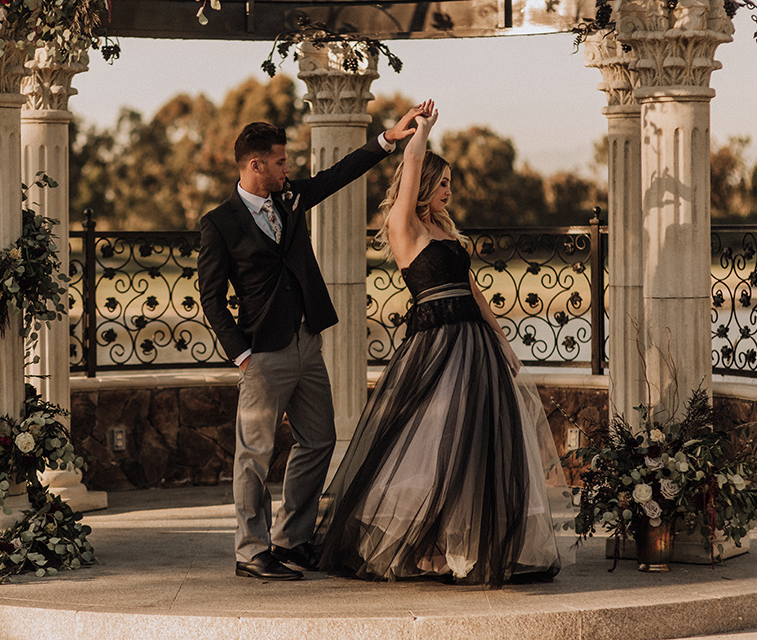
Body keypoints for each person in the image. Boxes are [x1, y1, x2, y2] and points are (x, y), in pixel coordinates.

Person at [314, 100, 571, 587]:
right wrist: (422, 133)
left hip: (474, 345)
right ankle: (424, 548)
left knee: (475, 448)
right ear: (425, 184)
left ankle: (462, 549)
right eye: (443, 182)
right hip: (433, 349)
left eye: (451, 183)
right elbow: (410, 163)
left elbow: (474, 293)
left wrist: (504, 343)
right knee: (432, 448)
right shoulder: (403, 227)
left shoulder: (446, 233)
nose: (449, 191)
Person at [198, 108, 425, 581]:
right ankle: (251, 552)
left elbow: (339, 174)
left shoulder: (292, 198)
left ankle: (291, 540)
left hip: (307, 341)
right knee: (254, 456)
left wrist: (387, 139)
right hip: (261, 353)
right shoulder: (219, 223)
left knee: (319, 440)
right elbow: (211, 297)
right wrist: (241, 354)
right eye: (280, 162)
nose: (288, 168)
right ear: (255, 165)